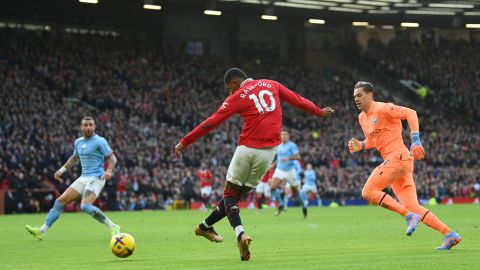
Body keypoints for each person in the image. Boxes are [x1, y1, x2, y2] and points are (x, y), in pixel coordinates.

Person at [175, 68, 334, 261]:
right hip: (269, 154)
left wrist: (185, 141)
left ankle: (240, 234)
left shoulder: (238, 96)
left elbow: (212, 121)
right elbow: (297, 99)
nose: (229, 93)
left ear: (234, 83)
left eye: (229, 88)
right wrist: (319, 112)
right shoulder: (272, 84)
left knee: (229, 195)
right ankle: (204, 227)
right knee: (234, 198)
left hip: (247, 148)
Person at [348, 81, 461, 250]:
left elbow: (411, 113)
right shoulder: (362, 118)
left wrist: (415, 140)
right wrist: (362, 145)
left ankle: (408, 216)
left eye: (360, 95)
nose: (356, 99)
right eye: (354, 96)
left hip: (397, 158)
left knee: (368, 192)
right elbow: (373, 140)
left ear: (370, 95)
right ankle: (449, 235)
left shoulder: (383, 108)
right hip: (399, 162)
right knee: (413, 206)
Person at [26, 117, 120, 240]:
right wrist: (61, 170)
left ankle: (113, 226)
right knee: (59, 202)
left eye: (90, 125)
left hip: (97, 177)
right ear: (81, 127)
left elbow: (112, 158)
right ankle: (42, 231)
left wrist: (109, 170)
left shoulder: (100, 141)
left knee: (85, 206)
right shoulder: (78, 142)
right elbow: (74, 158)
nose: (88, 127)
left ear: (94, 126)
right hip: (83, 177)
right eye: (85, 125)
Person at [270, 131, 301, 216]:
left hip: (290, 171)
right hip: (280, 170)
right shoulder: (278, 146)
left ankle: (303, 205)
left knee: (295, 192)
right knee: (272, 188)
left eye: (285, 134)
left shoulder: (292, 145)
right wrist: (273, 164)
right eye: (282, 135)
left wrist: (289, 158)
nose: (283, 136)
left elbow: (298, 157)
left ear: (288, 136)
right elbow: (279, 158)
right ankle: (280, 204)